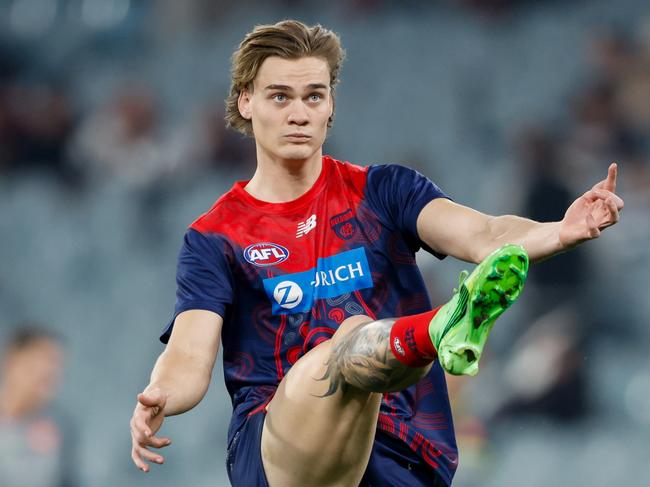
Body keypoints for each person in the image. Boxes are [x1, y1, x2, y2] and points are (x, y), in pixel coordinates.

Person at [129, 20, 623, 486]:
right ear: (246, 102)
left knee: (355, 341)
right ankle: (441, 326)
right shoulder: (215, 236)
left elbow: (487, 235)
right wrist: (160, 397)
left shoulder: (385, 191)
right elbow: (189, 353)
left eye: (313, 96)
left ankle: (439, 327)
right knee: (347, 337)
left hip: (403, 447)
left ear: (330, 107)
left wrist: (561, 230)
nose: (299, 112)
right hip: (279, 447)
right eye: (279, 96)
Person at [0, 326, 78, 487]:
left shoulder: (60, 425)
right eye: (39, 362)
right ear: (12, 361)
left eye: (55, 366)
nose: (48, 372)